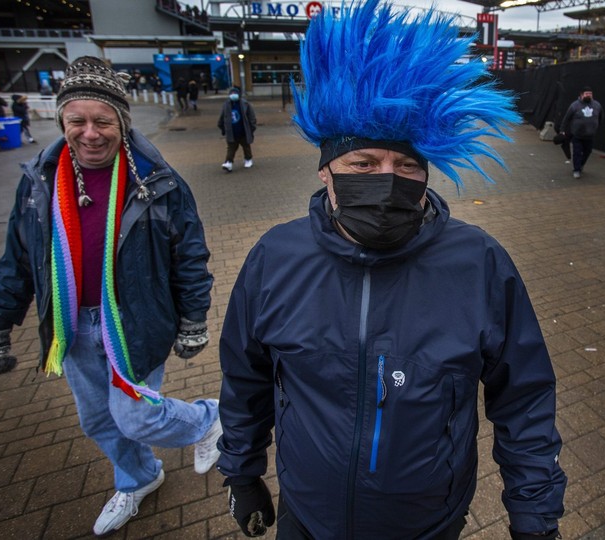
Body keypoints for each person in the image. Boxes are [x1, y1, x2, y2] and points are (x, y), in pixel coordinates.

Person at [216, 2, 567, 539]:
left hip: (427, 522)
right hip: (309, 516)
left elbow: (524, 397)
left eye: (406, 166)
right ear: (326, 170)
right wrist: (241, 472)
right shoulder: (275, 258)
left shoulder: (478, 264)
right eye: (364, 164)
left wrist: (535, 515)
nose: (387, 180)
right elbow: (246, 380)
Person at [0, 56, 222, 537]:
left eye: (102, 121)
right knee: (97, 420)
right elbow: (18, 260)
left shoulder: (157, 181)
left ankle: (208, 418)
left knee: (134, 415)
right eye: (77, 121)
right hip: (69, 325)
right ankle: (140, 478)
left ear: (121, 124)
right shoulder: (38, 182)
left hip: (136, 320)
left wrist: (195, 319)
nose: (90, 133)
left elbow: (189, 256)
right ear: (62, 121)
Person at [560, 86, 603, 179]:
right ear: (581, 95)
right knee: (577, 152)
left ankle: (581, 164)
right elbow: (566, 119)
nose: (589, 95)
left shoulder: (597, 105)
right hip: (577, 135)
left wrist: (596, 126)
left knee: (588, 151)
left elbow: (601, 116)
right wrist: (562, 130)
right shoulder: (574, 105)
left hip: (590, 135)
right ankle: (576, 170)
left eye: (590, 94)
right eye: (587, 94)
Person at [217, 86, 256, 172]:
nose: (233, 95)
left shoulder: (245, 104)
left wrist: (252, 128)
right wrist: (223, 128)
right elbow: (222, 118)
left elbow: (251, 117)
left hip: (243, 131)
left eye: (235, 93)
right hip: (232, 132)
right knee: (231, 148)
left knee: (246, 146)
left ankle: (248, 159)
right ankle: (228, 162)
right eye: (232, 93)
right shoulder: (226, 105)